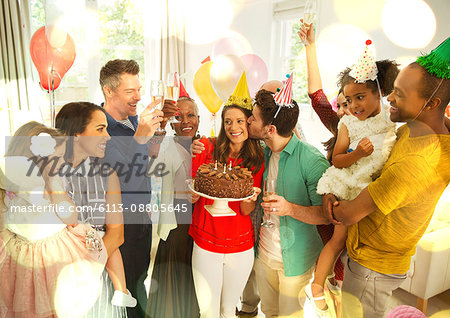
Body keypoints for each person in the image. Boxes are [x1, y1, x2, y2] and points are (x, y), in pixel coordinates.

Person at [322, 38, 450, 318]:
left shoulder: (415, 162)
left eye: (400, 94)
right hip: (381, 259)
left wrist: (329, 198)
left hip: (372, 266)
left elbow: (348, 213)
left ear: (432, 103)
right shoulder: (422, 130)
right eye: (391, 90)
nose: (389, 98)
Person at [306, 40, 400, 317]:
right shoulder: (344, 123)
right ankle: (319, 286)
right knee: (338, 245)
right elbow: (317, 97)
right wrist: (311, 45)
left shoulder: (393, 123)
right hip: (346, 191)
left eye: (359, 98)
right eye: (346, 101)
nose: (351, 106)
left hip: (370, 204)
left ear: (380, 95)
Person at [0, 121, 107, 317]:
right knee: (25, 304)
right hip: (20, 253)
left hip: (54, 252)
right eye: (56, 157)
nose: (61, 162)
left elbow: (70, 217)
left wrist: (51, 180)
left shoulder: (54, 182)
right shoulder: (9, 184)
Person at [246, 74, 330, 317]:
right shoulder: (261, 151)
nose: (249, 120)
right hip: (264, 254)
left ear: (270, 129)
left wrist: (289, 208)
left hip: (295, 260)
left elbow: (326, 216)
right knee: (269, 312)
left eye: (253, 117)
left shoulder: (312, 161)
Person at [190, 72, 264, 318]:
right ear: (222, 123)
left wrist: (250, 199)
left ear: (249, 123)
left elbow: (245, 210)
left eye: (240, 121)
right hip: (206, 242)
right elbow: (192, 195)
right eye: (228, 121)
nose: (234, 127)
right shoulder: (206, 148)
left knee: (228, 311)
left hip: (240, 246)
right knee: (207, 311)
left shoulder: (256, 160)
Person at [99, 59, 164, 317]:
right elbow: (122, 179)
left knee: (139, 282)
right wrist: (140, 139)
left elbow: (146, 163)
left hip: (140, 221)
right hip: (117, 228)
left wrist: (153, 136)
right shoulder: (99, 129)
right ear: (109, 91)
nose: (138, 97)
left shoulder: (134, 120)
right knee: (122, 297)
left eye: (139, 89)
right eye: (130, 91)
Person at [56, 102, 129, 317]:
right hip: (57, 273)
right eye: (100, 129)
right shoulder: (47, 174)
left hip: (97, 272)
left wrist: (87, 268)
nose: (107, 136)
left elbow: (117, 233)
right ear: (76, 133)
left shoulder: (108, 175)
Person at [146, 85, 200, 318]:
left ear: (199, 118)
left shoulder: (207, 145)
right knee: (176, 277)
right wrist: (159, 128)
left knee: (198, 276)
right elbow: (150, 161)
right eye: (178, 117)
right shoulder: (167, 145)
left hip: (203, 223)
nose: (186, 121)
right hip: (178, 221)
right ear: (171, 122)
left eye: (191, 115)